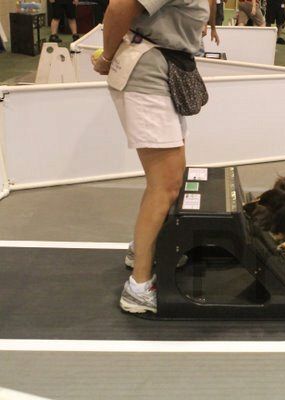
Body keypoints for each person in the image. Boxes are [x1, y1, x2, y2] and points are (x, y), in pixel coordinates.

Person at [92, 0, 219, 314]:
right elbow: (119, 8)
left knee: (166, 183)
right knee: (165, 186)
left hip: (164, 71)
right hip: (147, 74)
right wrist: (106, 56)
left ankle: (142, 253)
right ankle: (138, 287)